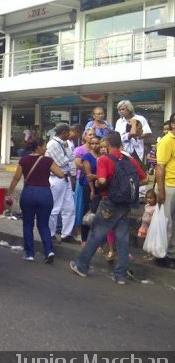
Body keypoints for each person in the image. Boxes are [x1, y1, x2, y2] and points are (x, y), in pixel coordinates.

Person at [70, 131, 147, 284]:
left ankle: (82, 265)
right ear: (120, 144)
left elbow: (103, 180)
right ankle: (121, 275)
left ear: (109, 144)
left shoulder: (104, 160)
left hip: (109, 203)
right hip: (125, 204)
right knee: (123, 239)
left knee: (96, 235)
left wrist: (98, 181)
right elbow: (144, 179)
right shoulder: (129, 159)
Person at [5, 138, 65, 262]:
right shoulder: (48, 161)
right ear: (38, 147)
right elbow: (60, 174)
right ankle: (49, 251)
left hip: (29, 194)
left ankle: (29, 254)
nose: (46, 149)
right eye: (44, 146)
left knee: (28, 224)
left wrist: (9, 193)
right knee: (43, 224)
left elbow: (16, 178)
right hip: (45, 194)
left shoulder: (23, 160)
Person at [45, 122, 77, 243]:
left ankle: (66, 234)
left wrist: (68, 154)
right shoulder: (53, 144)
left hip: (66, 178)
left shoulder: (64, 143)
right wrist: (69, 158)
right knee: (54, 208)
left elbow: (71, 158)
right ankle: (51, 233)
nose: (69, 134)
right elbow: (62, 162)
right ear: (63, 132)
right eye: (68, 132)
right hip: (56, 178)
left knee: (70, 207)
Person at [155, 112, 175, 268]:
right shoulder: (166, 141)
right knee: (166, 223)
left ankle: (171, 253)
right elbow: (160, 167)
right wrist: (160, 190)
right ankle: (161, 254)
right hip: (168, 186)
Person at [114, 100, 152, 166]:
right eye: (119, 110)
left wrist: (138, 136)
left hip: (138, 149)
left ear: (129, 109)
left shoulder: (140, 118)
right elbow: (117, 136)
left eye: (123, 109)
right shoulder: (119, 121)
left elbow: (147, 132)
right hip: (123, 150)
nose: (121, 111)